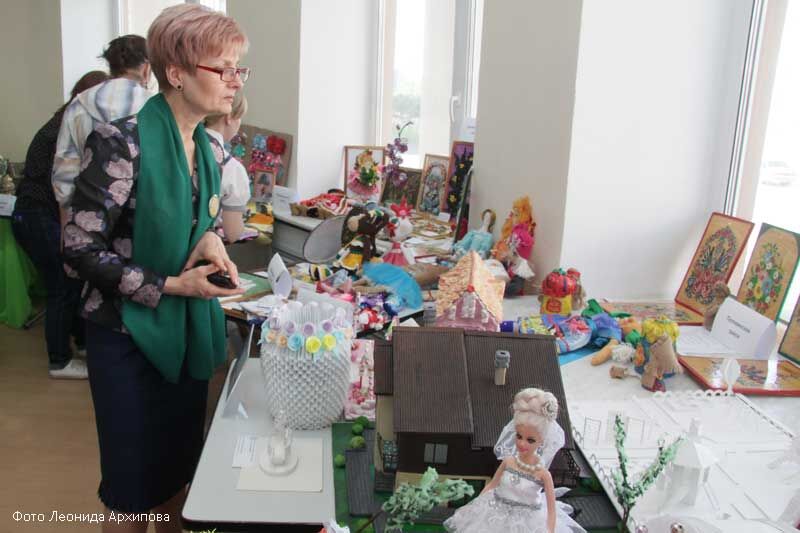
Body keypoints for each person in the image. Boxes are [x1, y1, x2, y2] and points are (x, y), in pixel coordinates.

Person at [62, 5, 249, 531]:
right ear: (177, 73)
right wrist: (171, 284)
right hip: (126, 336)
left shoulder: (208, 148)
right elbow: (78, 247)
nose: (236, 81)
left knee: (174, 481)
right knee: (131, 494)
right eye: (223, 69)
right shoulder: (121, 142)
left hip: (184, 335)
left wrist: (209, 239)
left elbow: (196, 220)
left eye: (239, 68)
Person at [11, 70, 109, 379]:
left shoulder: (65, 122)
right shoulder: (63, 130)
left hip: (38, 216)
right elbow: (63, 188)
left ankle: (80, 343)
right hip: (37, 216)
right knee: (61, 286)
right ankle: (59, 360)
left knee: (74, 283)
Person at [443, 388, 586, 533]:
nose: (522, 443)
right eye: (519, 436)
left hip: (526, 524)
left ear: (542, 441)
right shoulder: (508, 462)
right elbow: (492, 484)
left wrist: (549, 530)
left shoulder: (543, 474)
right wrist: (476, 506)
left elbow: (551, 511)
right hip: (495, 514)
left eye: (530, 440)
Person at [52, 34, 152, 225]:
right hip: (140, 217)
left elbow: (65, 171)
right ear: (147, 68)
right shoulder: (153, 107)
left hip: (88, 216)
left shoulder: (79, 105)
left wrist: (67, 223)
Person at [203, 92, 250, 241]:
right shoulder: (232, 168)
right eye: (240, 117)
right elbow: (232, 233)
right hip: (199, 247)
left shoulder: (181, 144)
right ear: (229, 117)